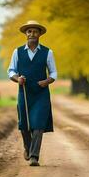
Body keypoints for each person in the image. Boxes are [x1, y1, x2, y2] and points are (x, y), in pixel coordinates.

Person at [7, 20, 57, 166]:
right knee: (24, 125)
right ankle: (27, 148)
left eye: (35, 31)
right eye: (29, 31)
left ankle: (34, 156)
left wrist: (47, 81)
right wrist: (18, 79)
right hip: (24, 92)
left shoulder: (48, 52)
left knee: (38, 124)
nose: (32, 34)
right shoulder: (17, 52)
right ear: (26, 34)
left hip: (41, 94)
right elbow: (11, 71)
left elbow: (53, 72)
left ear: (39, 34)